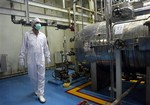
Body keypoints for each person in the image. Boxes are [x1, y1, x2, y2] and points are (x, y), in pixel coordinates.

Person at [19, 17, 50, 103]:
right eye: (37, 23)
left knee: (41, 77)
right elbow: (23, 47)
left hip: (41, 59)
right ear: (33, 25)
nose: (39, 25)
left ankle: (41, 94)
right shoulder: (27, 35)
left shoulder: (43, 35)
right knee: (32, 76)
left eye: (39, 23)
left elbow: (46, 47)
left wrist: (48, 56)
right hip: (31, 60)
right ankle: (36, 90)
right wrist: (21, 58)